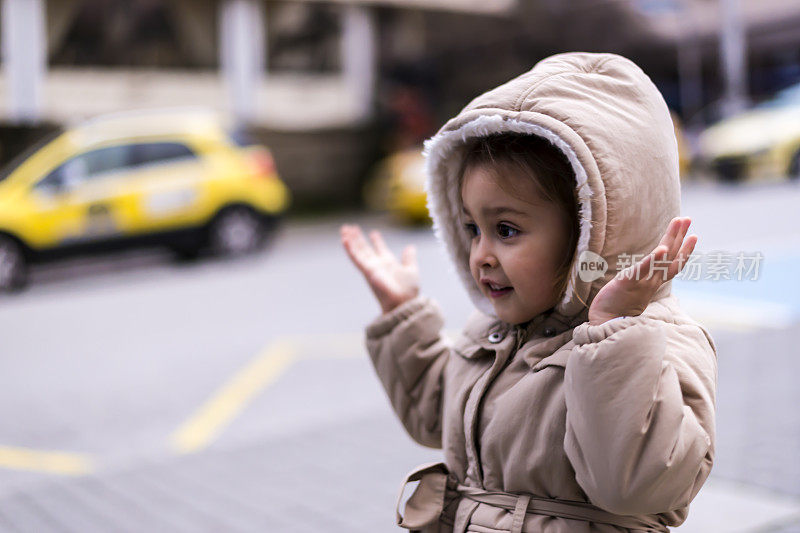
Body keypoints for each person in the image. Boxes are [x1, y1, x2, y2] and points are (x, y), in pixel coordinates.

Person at [340, 52, 717, 533]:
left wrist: (613, 334)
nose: (481, 254)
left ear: (592, 232)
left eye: (506, 229)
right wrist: (403, 314)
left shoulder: (657, 341)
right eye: (472, 228)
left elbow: (634, 484)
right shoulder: (498, 332)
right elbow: (438, 417)